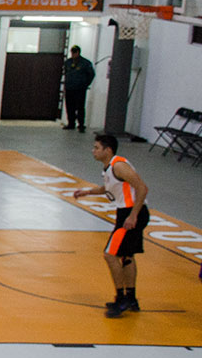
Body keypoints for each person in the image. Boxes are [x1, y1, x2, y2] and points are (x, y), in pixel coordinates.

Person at [72, 134, 150, 317]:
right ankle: (131, 298)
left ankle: (121, 299)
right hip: (128, 213)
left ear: (108, 150)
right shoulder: (109, 168)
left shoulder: (119, 166)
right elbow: (108, 188)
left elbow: (142, 188)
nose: (93, 151)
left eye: (97, 147)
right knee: (127, 256)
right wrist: (87, 192)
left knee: (110, 255)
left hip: (131, 213)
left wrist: (133, 215)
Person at [62, 46, 95, 133]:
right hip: (69, 88)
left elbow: (91, 74)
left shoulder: (85, 63)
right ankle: (71, 123)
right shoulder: (68, 62)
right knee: (69, 107)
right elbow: (66, 73)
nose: (73, 54)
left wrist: (85, 84)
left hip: (80, 89)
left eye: (74, 52)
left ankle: (81, 125)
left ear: (78, 52)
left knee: (80, 107)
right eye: (72, 52)